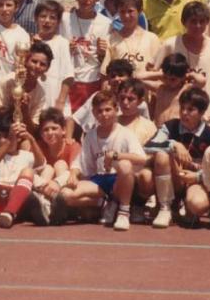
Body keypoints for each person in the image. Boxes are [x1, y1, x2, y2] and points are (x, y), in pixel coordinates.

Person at [55, 90, 144, 231]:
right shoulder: (90, 135)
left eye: (108, 110)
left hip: (118, 181)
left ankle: (123, 211)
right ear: (94, 113)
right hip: (99, 180)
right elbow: (81, 162)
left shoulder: (126, 133)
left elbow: (141, 158)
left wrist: (116, 155)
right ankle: (102, 203)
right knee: (65, 194)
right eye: (99, 111)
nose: (104, 114)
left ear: (116, 110)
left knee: (125, 165)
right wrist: (73, 174)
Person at [143, 86, 210, 229]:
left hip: (194, 181)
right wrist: (173, 144)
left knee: (198, 204)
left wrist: (197, 176)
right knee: (161, 155)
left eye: (190, 110)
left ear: (202, 113)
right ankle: (165, 208)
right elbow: (148, 146)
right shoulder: (170, 126)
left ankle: (190, 209)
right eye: (182, 108)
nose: (184, 113)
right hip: (172, 177)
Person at [156, 1, 210, 120]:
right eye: (193, 21)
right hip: (177, 114)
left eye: (202, 21)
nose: (198, 26)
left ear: (207, 22)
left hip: (207, 114)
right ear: (184, 22)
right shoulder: (171, 45)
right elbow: (155, 72)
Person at [61, 0, 111, 113]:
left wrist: (103, 53)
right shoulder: (65, 19)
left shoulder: (106, 23)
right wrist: (66, 49)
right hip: (69, 79)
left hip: (93, 79)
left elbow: (106, 60)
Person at [30, 107, 80, 223]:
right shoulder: (38, 147)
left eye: (54, 128)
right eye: (46, 130)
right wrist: (46, 186)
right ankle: (45, 207)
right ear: (41, 133)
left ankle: (59, 206)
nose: (50, 133)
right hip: (43, 189)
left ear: (63, 130)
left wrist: (56, 183)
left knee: (60, 164)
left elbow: (76, 173)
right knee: (47, 168)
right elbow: (31, 171)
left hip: (65, 190)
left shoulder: (72, 146)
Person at [0, 41, 53, 133]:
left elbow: (33, 129)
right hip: (1, 131)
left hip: (24, 133)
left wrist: (25, 111)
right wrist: (16, 104)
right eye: (34, 61)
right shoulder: (8, 81)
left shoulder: (40, 93)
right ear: (26, 61)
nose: (37, 66)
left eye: (42, 64)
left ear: (47, 68)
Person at [102, 0, 160, 76]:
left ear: (140, 11)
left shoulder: (152, 38)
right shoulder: (111, 39)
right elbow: (105, 73)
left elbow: (159, 72)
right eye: (122, 11)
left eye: (130, 11)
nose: (126, 16)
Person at [32, 0, 73, 115]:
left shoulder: (62, 43)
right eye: (43, 16)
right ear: (35, 18)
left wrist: (61, 101)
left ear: (58, 22)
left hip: (55, 96)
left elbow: (68, 76)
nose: (47, 21)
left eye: (52, 18)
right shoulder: (29, 42)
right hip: (35, 97)